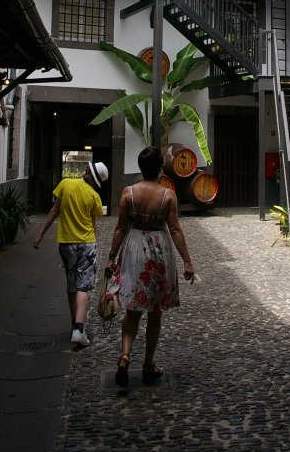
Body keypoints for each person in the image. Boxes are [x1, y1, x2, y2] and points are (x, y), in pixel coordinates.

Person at [104, 146, 194, 387]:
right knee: (155, 312)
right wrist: (186, 260)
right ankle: (148, 364)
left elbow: (120, 228)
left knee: (132, 310)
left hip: (133, 249)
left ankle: (125, 356)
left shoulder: (128, 193)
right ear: (160, 168)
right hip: (157, 252)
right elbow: (175, 230)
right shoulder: (168, 196)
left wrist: (112, 257)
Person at [34, 160, 109, 347]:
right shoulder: (94, 196)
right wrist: (96, 244)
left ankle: (74, 324)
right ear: (96, 182)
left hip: (66, 243)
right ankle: (79, 328)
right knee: (83, 286)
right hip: (86, 243)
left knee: (71, 283)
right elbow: (93, 224)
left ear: (85, 171)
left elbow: (54, 211)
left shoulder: (65, 184)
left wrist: (41, 234)